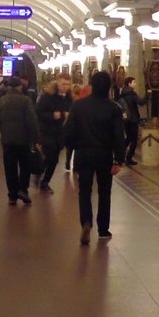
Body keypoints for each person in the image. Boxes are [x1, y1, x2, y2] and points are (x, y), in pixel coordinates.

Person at [62, 70, 125, 245]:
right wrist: (119, 159)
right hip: (104, 155)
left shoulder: (78, 106)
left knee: (85, 191)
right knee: (104, 192)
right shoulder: (114, 108)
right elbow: (118, 136)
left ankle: (86, 222)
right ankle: (103, 229)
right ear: (108, 87)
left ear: (91, 85)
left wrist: (72, 147)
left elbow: (69, 131)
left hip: (83, 154)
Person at [0, 77, 41, 205]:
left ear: (7, 87)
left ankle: (12, 195)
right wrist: (36, 138)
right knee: (25, 166)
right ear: (19, 87)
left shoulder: (0, 102)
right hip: (24, 140)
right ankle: (23, 190)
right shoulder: (26, 100)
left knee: (10, 168)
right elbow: (32, 120)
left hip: (7, 140)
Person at [34, 75, 73, 193]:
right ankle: (40, 175)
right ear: (57, 84)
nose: (65, 87)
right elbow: (38, 112)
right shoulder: (47, 96)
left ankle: (44, 181)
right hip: (47, 131)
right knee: (50, 157)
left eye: (67, 84)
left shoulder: (68, 98)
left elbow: (70, 112)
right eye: (63, 84)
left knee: (54, 160)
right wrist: (52, 116)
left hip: (60, 133)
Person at [117, 77, 142, 166]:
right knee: (134, 140)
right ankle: (128, 158)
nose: (135, 83)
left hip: (126, 119)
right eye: (133, 82)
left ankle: (120, 155)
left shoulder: (122, 93)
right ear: (129, 83)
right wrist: (148, 95)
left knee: (128, 138)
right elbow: (141, 102)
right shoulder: (132, 94)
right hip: (133, 119)